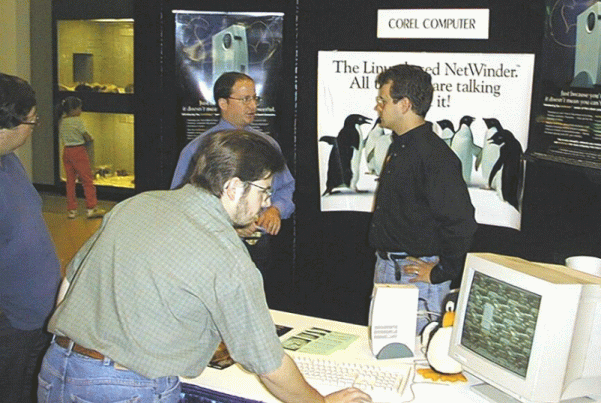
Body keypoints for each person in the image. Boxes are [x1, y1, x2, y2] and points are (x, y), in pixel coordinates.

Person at [39, 130, 371, 403]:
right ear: (233, 187)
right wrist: (321, 402)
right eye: (264, 191)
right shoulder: (227, 256)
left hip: (57, 366)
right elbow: (268, 365)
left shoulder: (137, 204)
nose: (267, 202)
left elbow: (70, 283)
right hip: (128, 388)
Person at [369, 64, 478, 333]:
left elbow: (461, 221)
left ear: (404, 104)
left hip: (415, 278)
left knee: (418, 353)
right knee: (384, 354)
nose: (377, 107)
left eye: (383, 100)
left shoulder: (435, 156)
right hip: (387, 269)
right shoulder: (400, 146)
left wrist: (442, 272)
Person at [171, 72, 295, 274]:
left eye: (254, 98)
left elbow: (286, 186)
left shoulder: (267, 145)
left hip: (260, 247)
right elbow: (181, 204)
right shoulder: (196, 149)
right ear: (223, 103)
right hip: (213, 248)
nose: (252, 106)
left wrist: (276, 209)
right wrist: (233, 227)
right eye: (245, 99)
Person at [0, 73, 61, 403]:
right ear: (7, 124)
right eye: (32, 120)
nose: (34, 127)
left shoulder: (9, 161)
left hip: (37, 317)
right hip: (12, 326)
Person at [56, 96, 105, 219]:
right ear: (73, 109)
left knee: (70, 182)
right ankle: (91, 207)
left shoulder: (62, 120)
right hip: (78, 151)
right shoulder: (77, 120)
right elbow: (86, 135)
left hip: (67, 151)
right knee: (87, 180)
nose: (81, 110)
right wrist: (90, 139)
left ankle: (72, 210)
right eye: (79, 108)